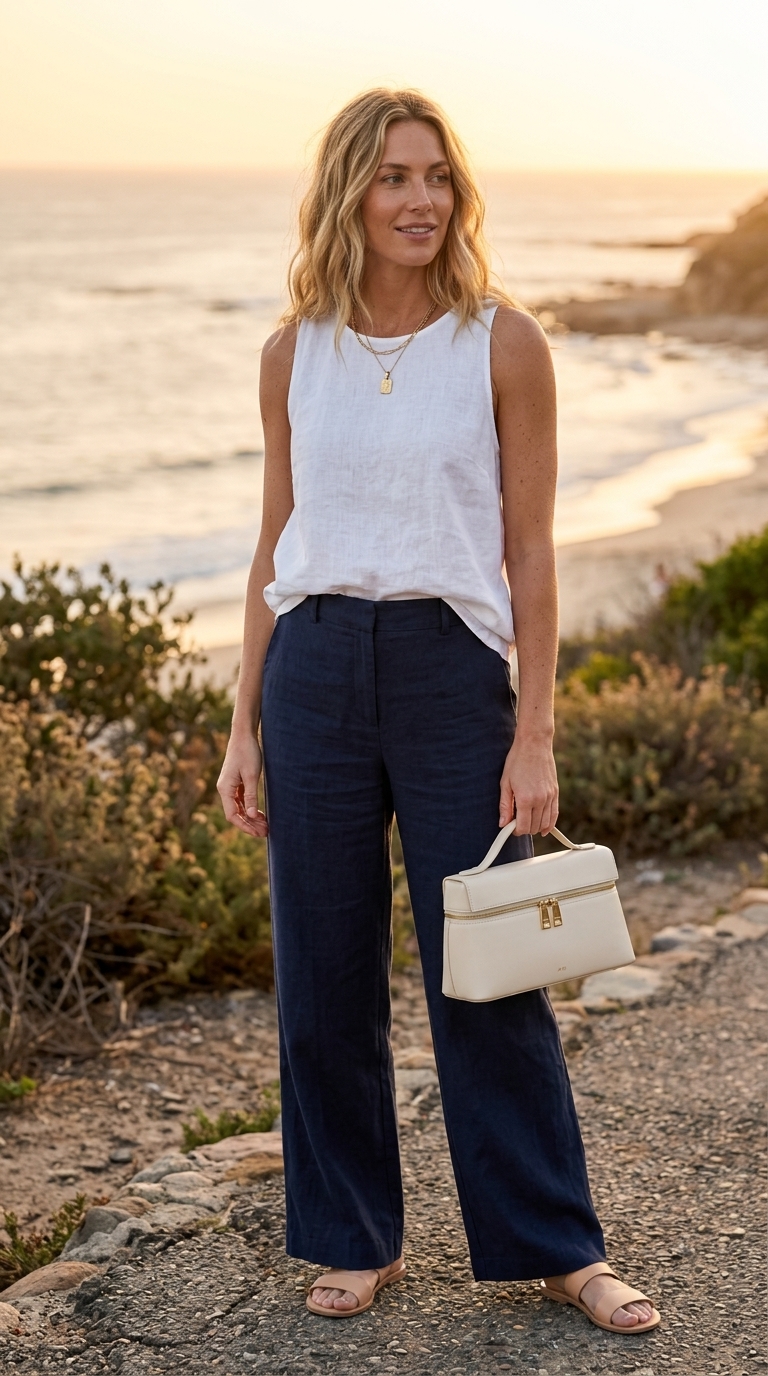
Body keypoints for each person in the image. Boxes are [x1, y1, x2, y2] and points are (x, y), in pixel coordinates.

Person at [217, 87, 660, 1336]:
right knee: (323, 973)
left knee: (493, 966)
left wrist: (536, 729)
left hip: (450, 669)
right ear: (347, 194)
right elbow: (275, 539)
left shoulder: (503, 342)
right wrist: (243, 722)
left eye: (437, 176)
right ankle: (352, 1234)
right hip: (311, 668)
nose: (421, 200)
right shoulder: (292, 353)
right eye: (393, 177)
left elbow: (532, 549)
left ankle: (559, 1245)